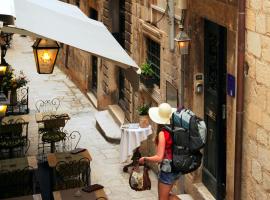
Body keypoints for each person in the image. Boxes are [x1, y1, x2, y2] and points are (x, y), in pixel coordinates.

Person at [138, 103, 180, 200]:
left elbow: (159, 157)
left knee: (162, 198)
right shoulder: (175, 129)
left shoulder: (163, 133)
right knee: (167, 196)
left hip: (167, 170)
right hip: (176, 168)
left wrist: (145, 158)